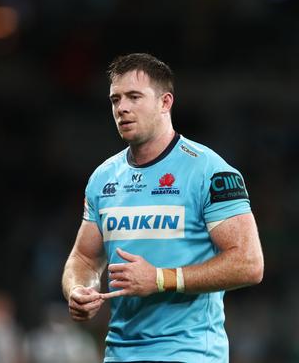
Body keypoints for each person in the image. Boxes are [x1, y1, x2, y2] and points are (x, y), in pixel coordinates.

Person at [61, 52, 265, 363]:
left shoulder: (210, 171)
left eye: (134, 96)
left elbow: (249, 263)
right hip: (119, 353)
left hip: (190, 353)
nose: (122, 108)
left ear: (165, 102)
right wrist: (78, 289)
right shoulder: (103, 178)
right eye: (115, 99)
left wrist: (160, 279)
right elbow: (85, 258)